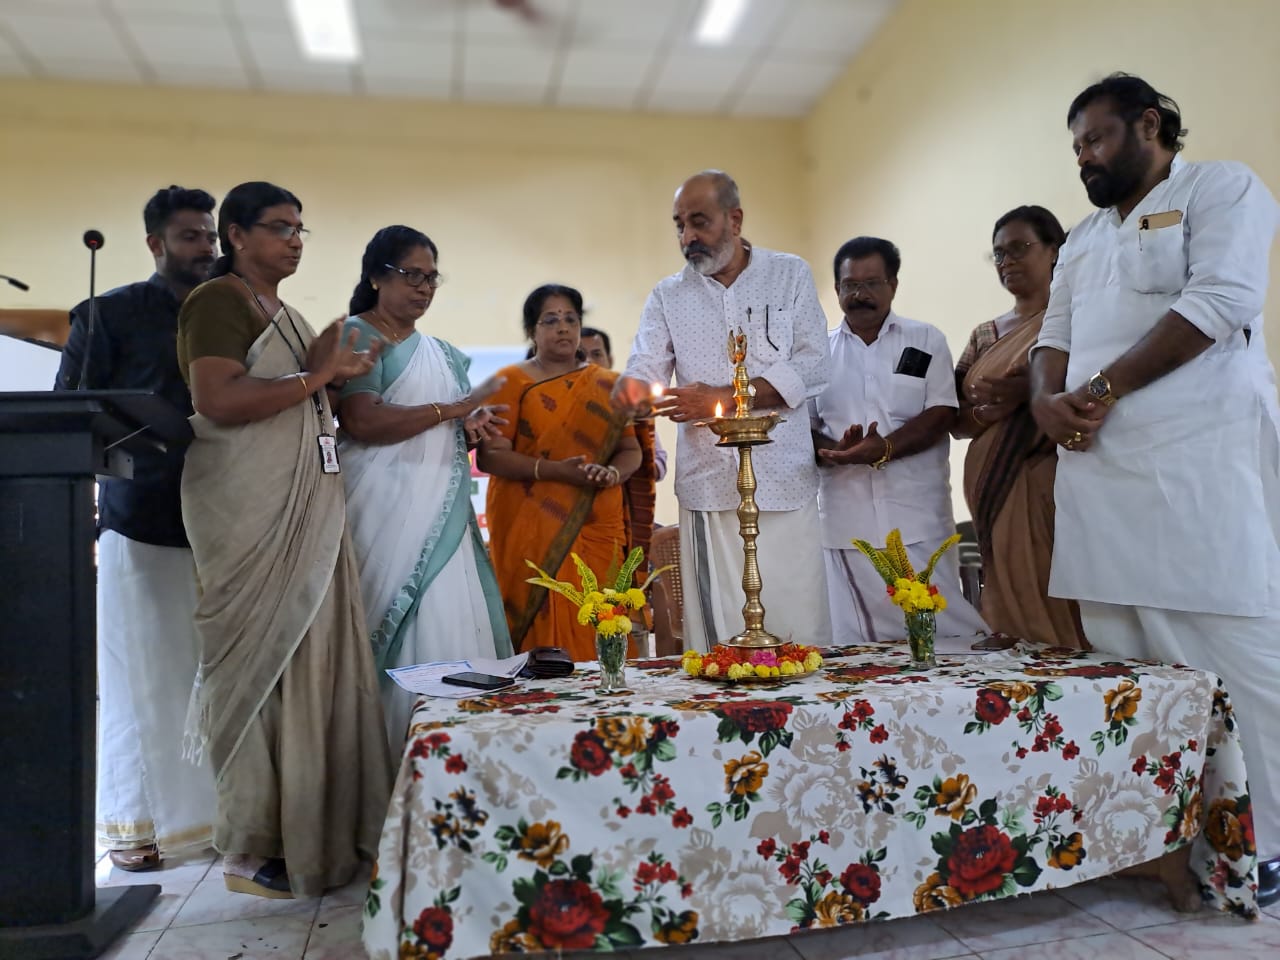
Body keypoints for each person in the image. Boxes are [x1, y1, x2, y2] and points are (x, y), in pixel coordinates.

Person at [1029, 73, 1280, 905]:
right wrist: (1046, 401)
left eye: (1096, 139)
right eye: (1076, 147)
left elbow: (1223, 298)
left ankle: (1267, 847)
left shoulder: (1220, 187)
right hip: (1102, 479)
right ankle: (1164, 845)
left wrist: (1100, 391)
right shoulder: (1081, 238)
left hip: (1199, 466)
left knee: (1235, 659)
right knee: (1131, 666)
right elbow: (1054, 333)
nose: (1084, 158)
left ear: (1149, 125)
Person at [177, 181, 392, 899]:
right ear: (236, 235)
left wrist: (333, 377)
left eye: (301, 229)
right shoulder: (217, 302)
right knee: (260, 670)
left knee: (313, 663)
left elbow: (303, 397)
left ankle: (315, 832)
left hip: (305, 509)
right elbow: (218, 398)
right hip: (247, 510)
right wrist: (319, 374)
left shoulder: (291, 317)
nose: (295, 240)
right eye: (279, 227)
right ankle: (250, 845)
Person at [53, 186, 219, 871]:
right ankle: (135, 828)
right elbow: (67, 416)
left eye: (210, 235)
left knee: (204, 681)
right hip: (141, 516)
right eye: (190, 236)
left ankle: (208, 818)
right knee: (138, 681)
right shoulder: (108, 315)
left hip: (219, 520)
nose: (205, 247)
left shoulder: (228, 315)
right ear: (155, 244)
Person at [613, 170, 833, 652]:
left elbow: (815, 365)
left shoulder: (788, 274)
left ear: (735, 220)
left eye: (699, 221)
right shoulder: (668, 295)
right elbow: (644, 367)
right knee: (721, 640)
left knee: (799, 627)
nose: (687, 237)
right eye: (679, 225)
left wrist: (727, 397)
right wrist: (630, 393)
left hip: (785, 479)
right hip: (710, 484)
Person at [336, 226, 513, 749]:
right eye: (412, 275)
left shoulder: (444, 354)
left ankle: (453, 764)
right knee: (397, 631)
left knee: (449, 622)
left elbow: (448, 424)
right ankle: (389, 764)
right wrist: (450, 411)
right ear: (376, 277)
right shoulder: (358, 336)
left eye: (432, 278)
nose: (424, 288)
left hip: (441, 517)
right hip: (379, 512)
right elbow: (362, 421)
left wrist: (469, 426)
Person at [811, 237, 987, 644]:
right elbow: (805, 427)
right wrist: (834, 451)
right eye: (850, 285)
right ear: (836, 289)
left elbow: (941, 412)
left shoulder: (925, 340)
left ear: (892, 284)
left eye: (871, 283)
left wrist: (884, 448)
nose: (860, 295)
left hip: (917, 520)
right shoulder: (817, 354)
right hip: (846, 525)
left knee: (943, 640)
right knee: (857, 648)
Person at [479, 285, 648, 660]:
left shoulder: (609, 384)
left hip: (596, 519)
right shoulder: (510, 382)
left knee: (602, 617)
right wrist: (554, 471)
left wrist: (612, 474)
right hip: (531, 522)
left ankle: (607, 688)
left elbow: (630, 450)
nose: (563, 328)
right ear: (531, 331)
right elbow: (491, 456)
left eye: (571, 319)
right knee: (541, 616)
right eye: (551, 320)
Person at [952, 206, 1087, 649]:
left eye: (1019, 248)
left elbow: (1086, 386)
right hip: (992, 481)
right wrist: (987, 414)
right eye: (998, 254)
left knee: (1051, 574)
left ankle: (1067, 662)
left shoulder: (1078, 321)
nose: (1007, 261)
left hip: (1048, 476)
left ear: (1054, 251)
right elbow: (955, 418)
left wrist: (1031, 390)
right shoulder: (985, 334)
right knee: (1006, 573)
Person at [582, 324, 668, 482]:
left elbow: (658, 464)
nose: (589, 361)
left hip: (621, 494)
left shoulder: (627, 402)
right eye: (581, 355)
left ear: (610, 360)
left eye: (596, 354)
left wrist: (625, 468)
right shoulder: (565, 400)